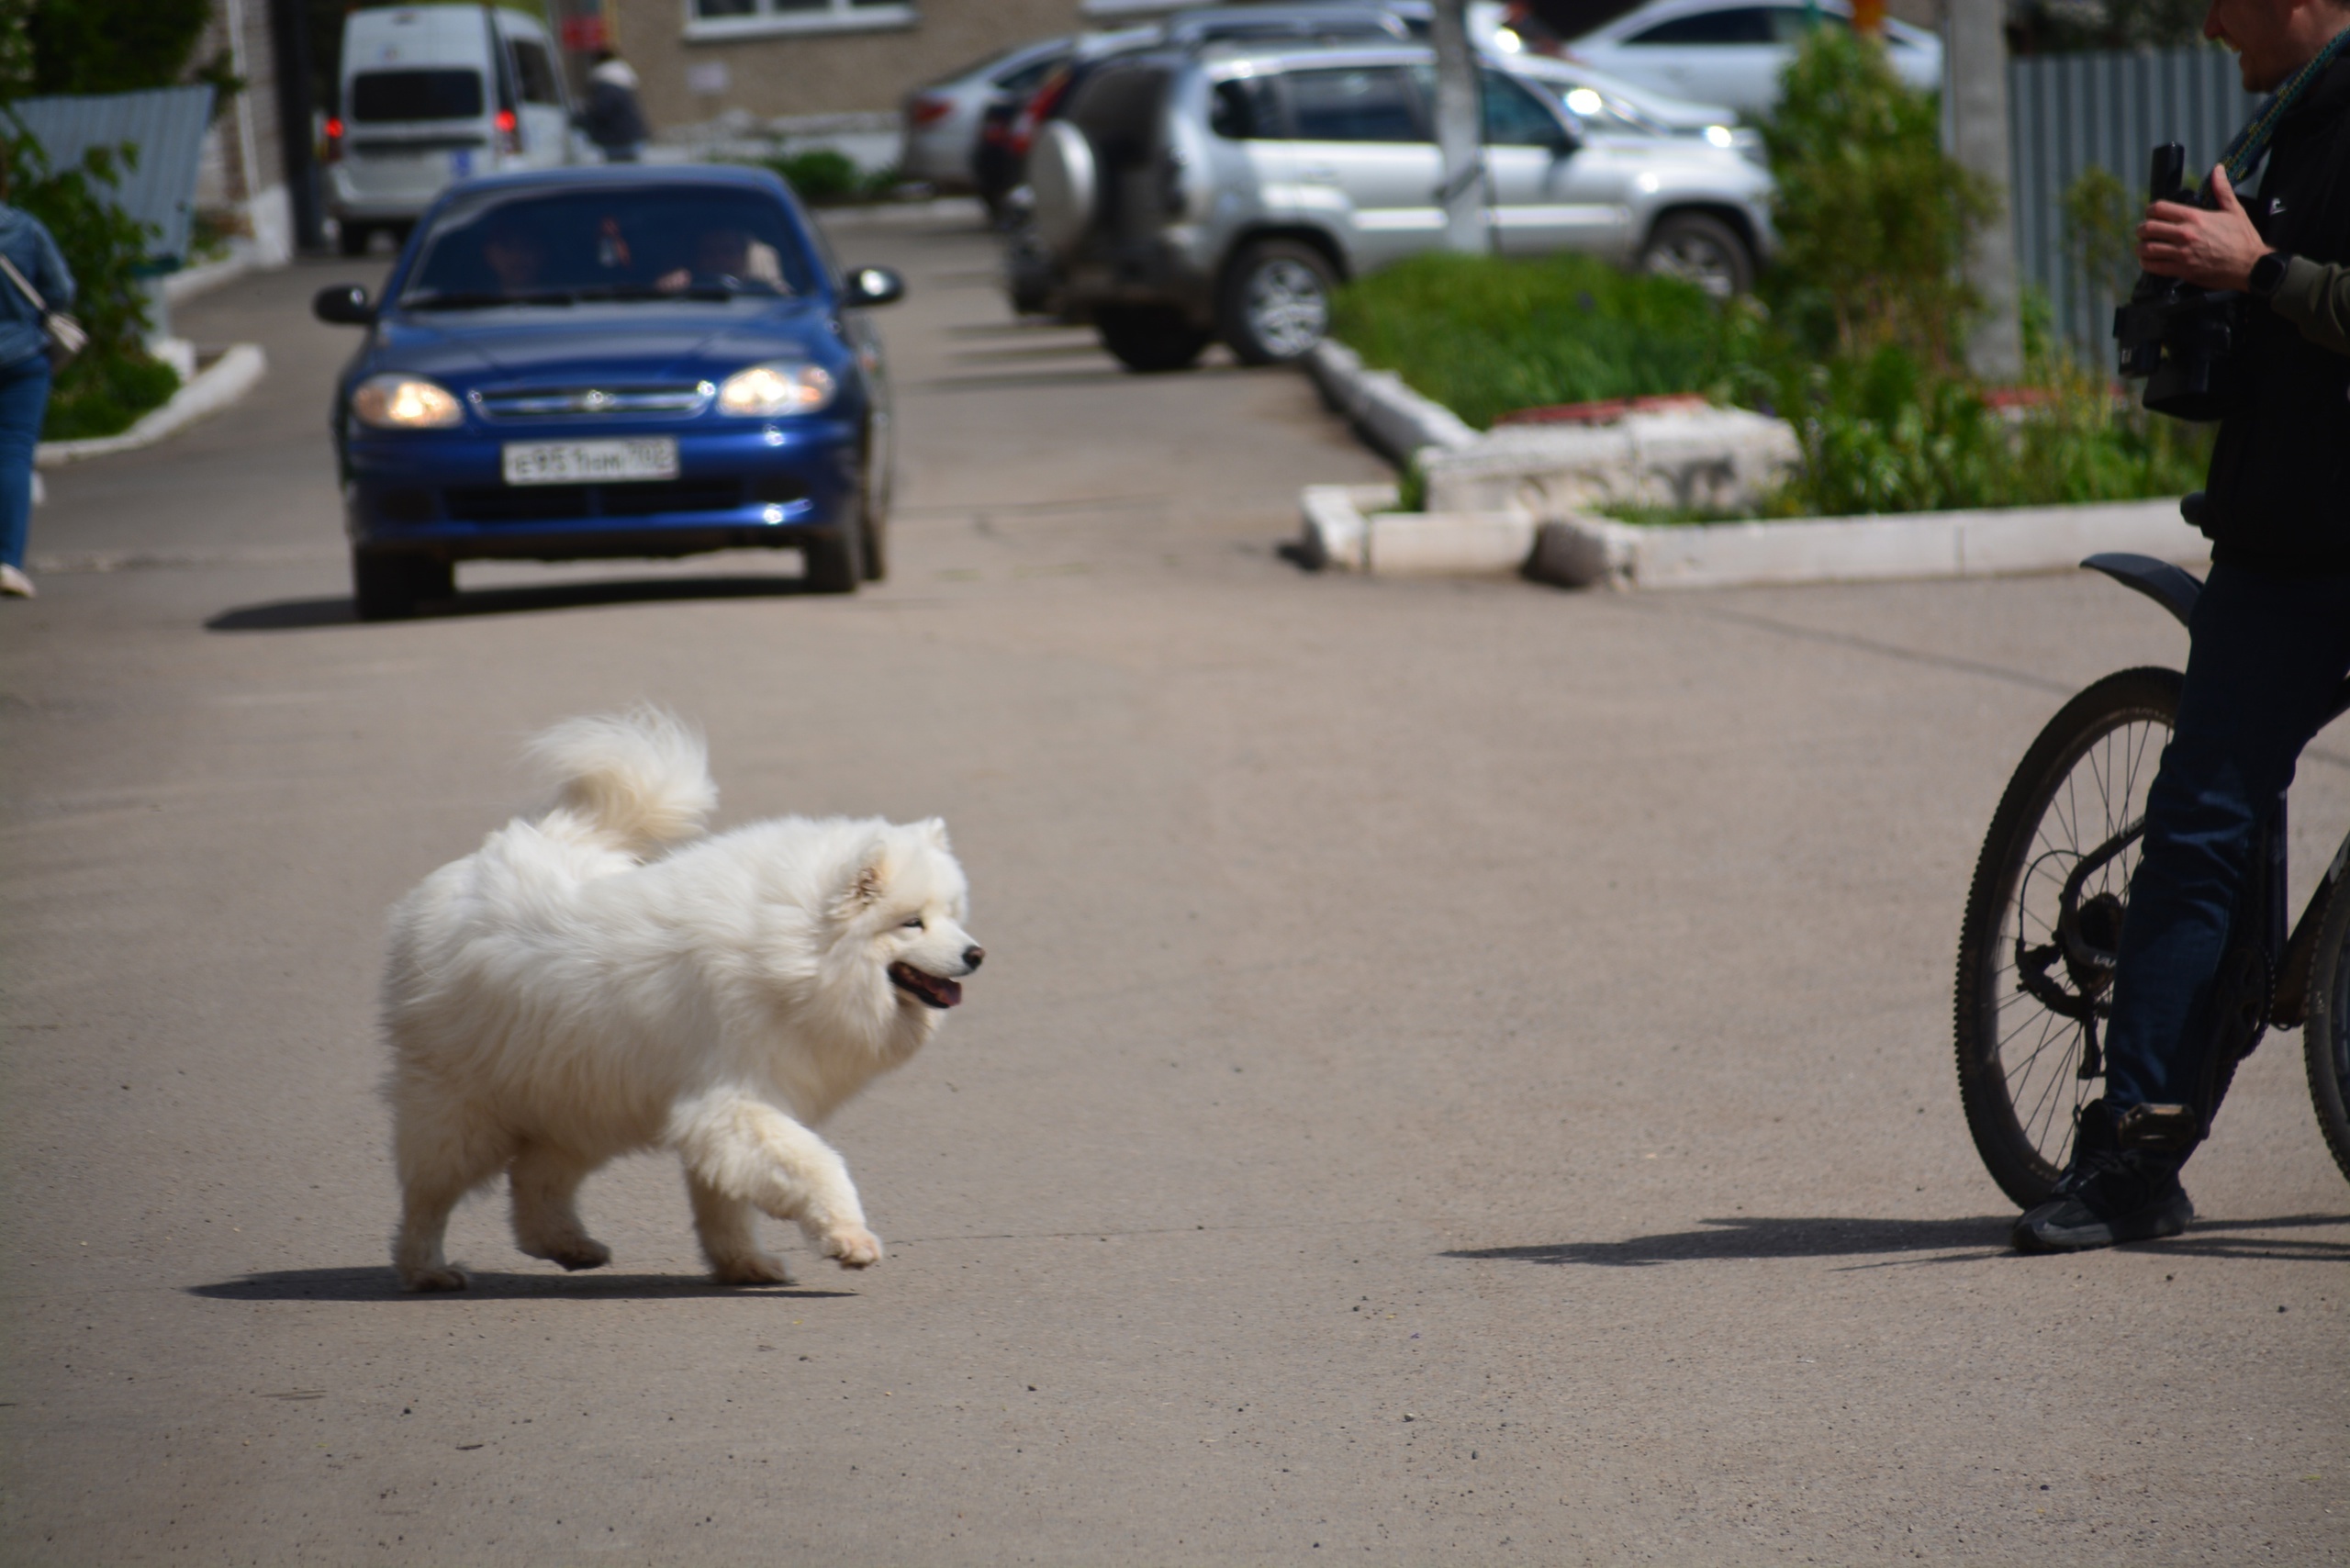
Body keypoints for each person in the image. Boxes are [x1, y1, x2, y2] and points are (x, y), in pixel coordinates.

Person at [2012, 0, 2350, 1252]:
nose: (2209, 20)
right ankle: (2132, 1152)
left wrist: (2255, 270)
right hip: (2286, 543)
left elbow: (2293, 284)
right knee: (2203, 827)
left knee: (2207, 827)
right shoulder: (2293, 114)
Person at [0, 166, 72, 601]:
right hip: (23, 357)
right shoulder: (22, 228)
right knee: (12, 454)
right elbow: (60, 290)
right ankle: (7, 561)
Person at [578, 50, 648, 163]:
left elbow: (601, 111)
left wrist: (580, 118)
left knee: (618, 174)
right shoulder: (623, 81)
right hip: (630, 138)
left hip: (616, 141)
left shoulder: (606, 86)